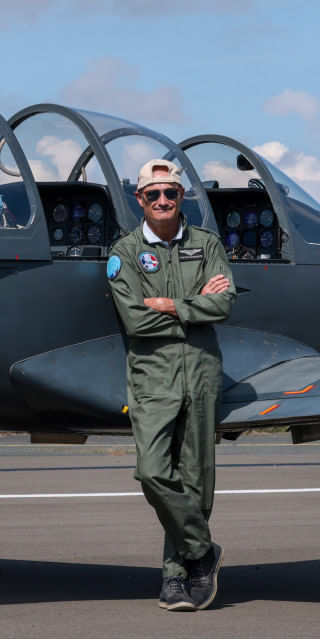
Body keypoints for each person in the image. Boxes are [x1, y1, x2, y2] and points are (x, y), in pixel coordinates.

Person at [106, 156, 235, 611]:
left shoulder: (206, 243)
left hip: (201, 371)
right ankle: (203, 552)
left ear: (182, 197)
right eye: (153, 194)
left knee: (196, 479)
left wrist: (172, 305)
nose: (163, 200)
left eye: (171, 193)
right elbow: (136, 319)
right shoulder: (124, 254)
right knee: (154, 472)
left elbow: (224, 304)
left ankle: (175, 579)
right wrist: (194, 304)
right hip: (153, 376)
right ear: (139, 199)